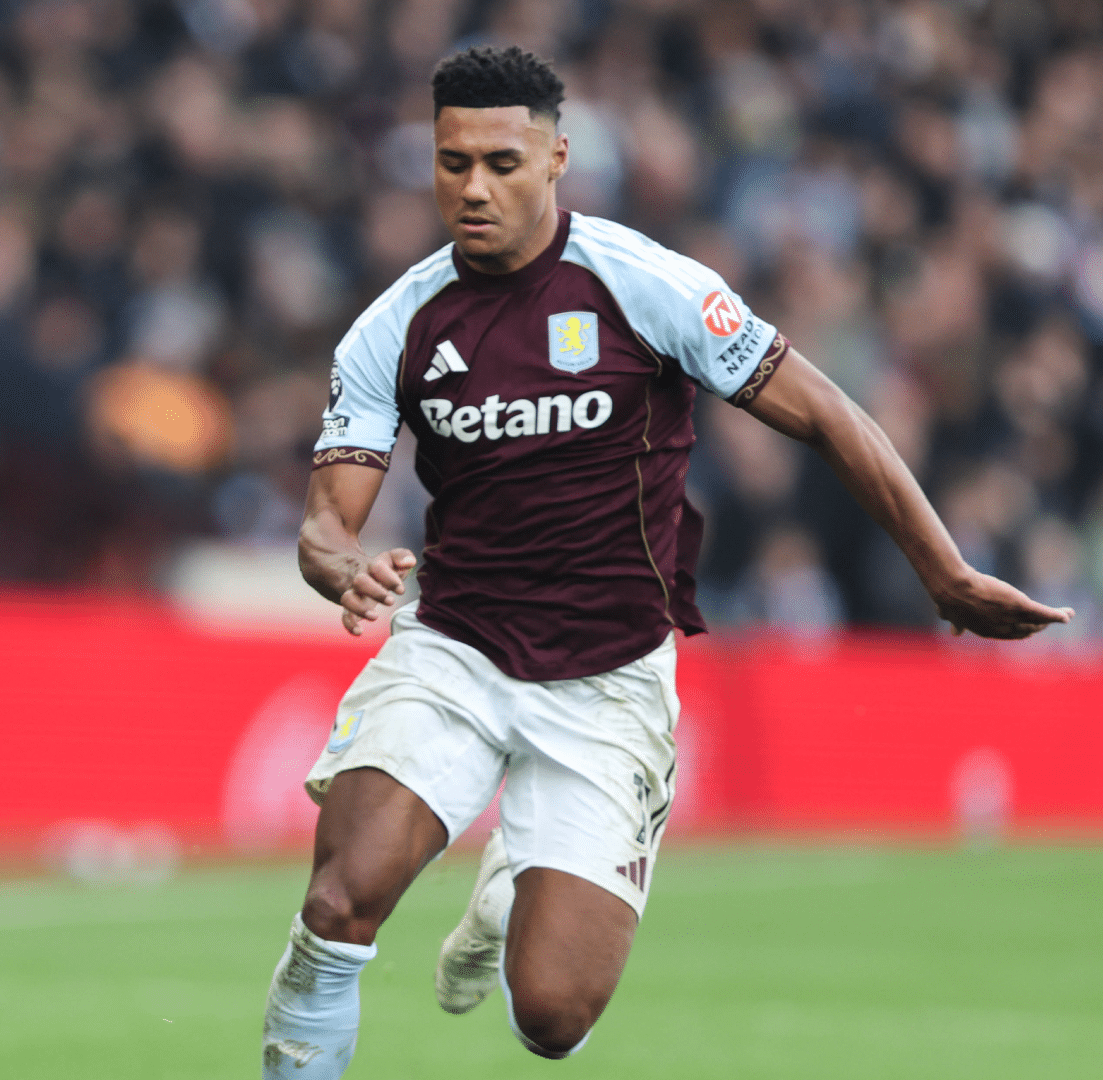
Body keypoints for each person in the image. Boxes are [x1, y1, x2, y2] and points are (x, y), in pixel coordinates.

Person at [261, 45, 1071, 1077]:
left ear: (557, 159)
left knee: (552, 1020)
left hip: (609, 679)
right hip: (454, 649)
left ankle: (510, 886)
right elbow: (326, 525)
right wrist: (344, 569)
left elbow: (827, 412)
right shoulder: (396, 326)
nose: (474, 188)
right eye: (453, 163)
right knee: (340, 902)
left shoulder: (646, 284)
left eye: (503, 163)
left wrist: (944, 572)